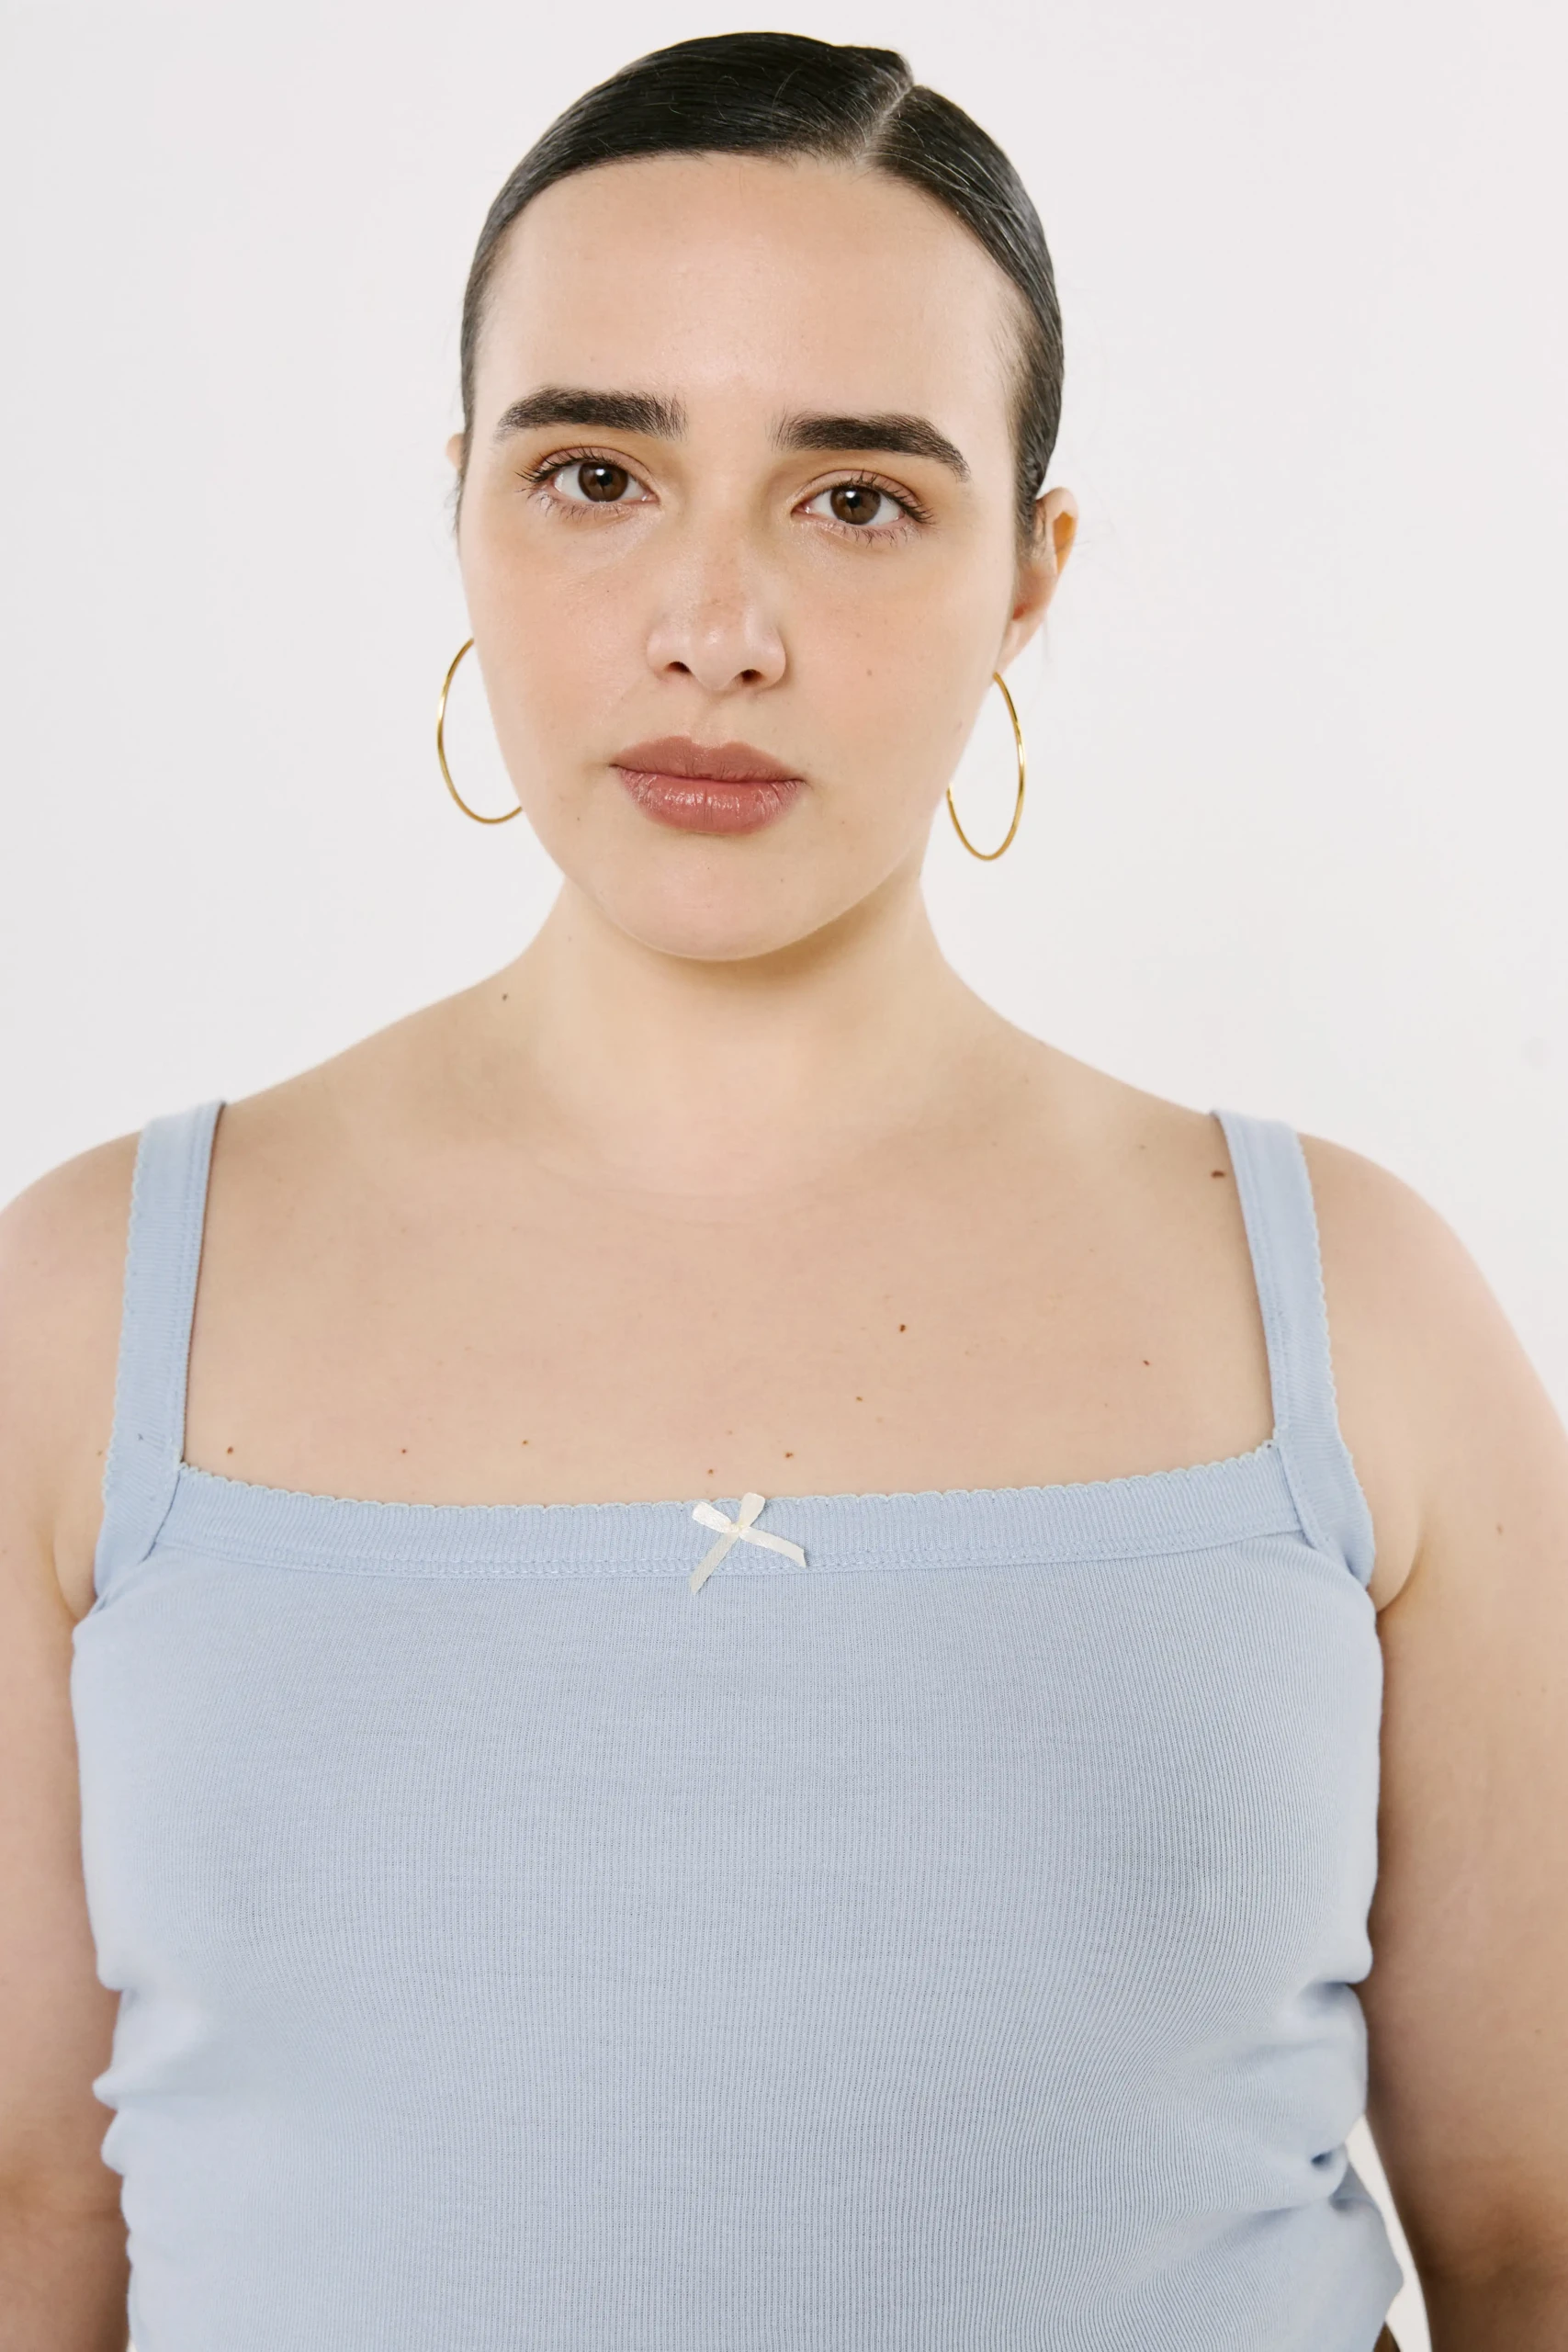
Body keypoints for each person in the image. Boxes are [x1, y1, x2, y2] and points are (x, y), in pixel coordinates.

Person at [2, 29, 1563, 2352]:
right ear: (461, 509)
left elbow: (1533, 2240)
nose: (711, 625)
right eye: (595, 474)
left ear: (1027, 575)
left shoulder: (1357, 1312)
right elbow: (31, 2225)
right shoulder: (86, 1306)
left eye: (856, 499)